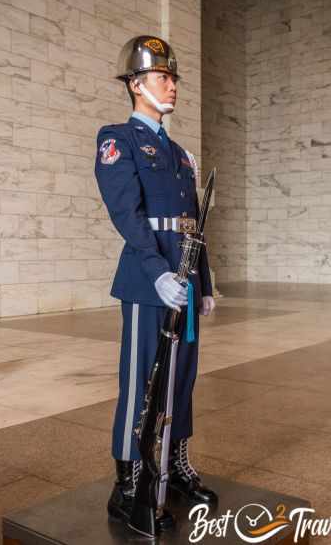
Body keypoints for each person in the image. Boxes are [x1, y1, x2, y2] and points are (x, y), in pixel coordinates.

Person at [94, 35, 217, 521]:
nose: (173, 87)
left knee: (180, 377)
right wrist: (157, 271)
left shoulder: (182, 155)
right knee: (141, 378)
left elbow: (192, 222)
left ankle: (175, 464)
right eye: (164, 78)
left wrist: (203, 280)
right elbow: (127, 214)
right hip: (150, 279)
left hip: (184, 275)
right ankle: (128, 482)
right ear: (136, 85)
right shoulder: (117, 139)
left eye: (173, 78)